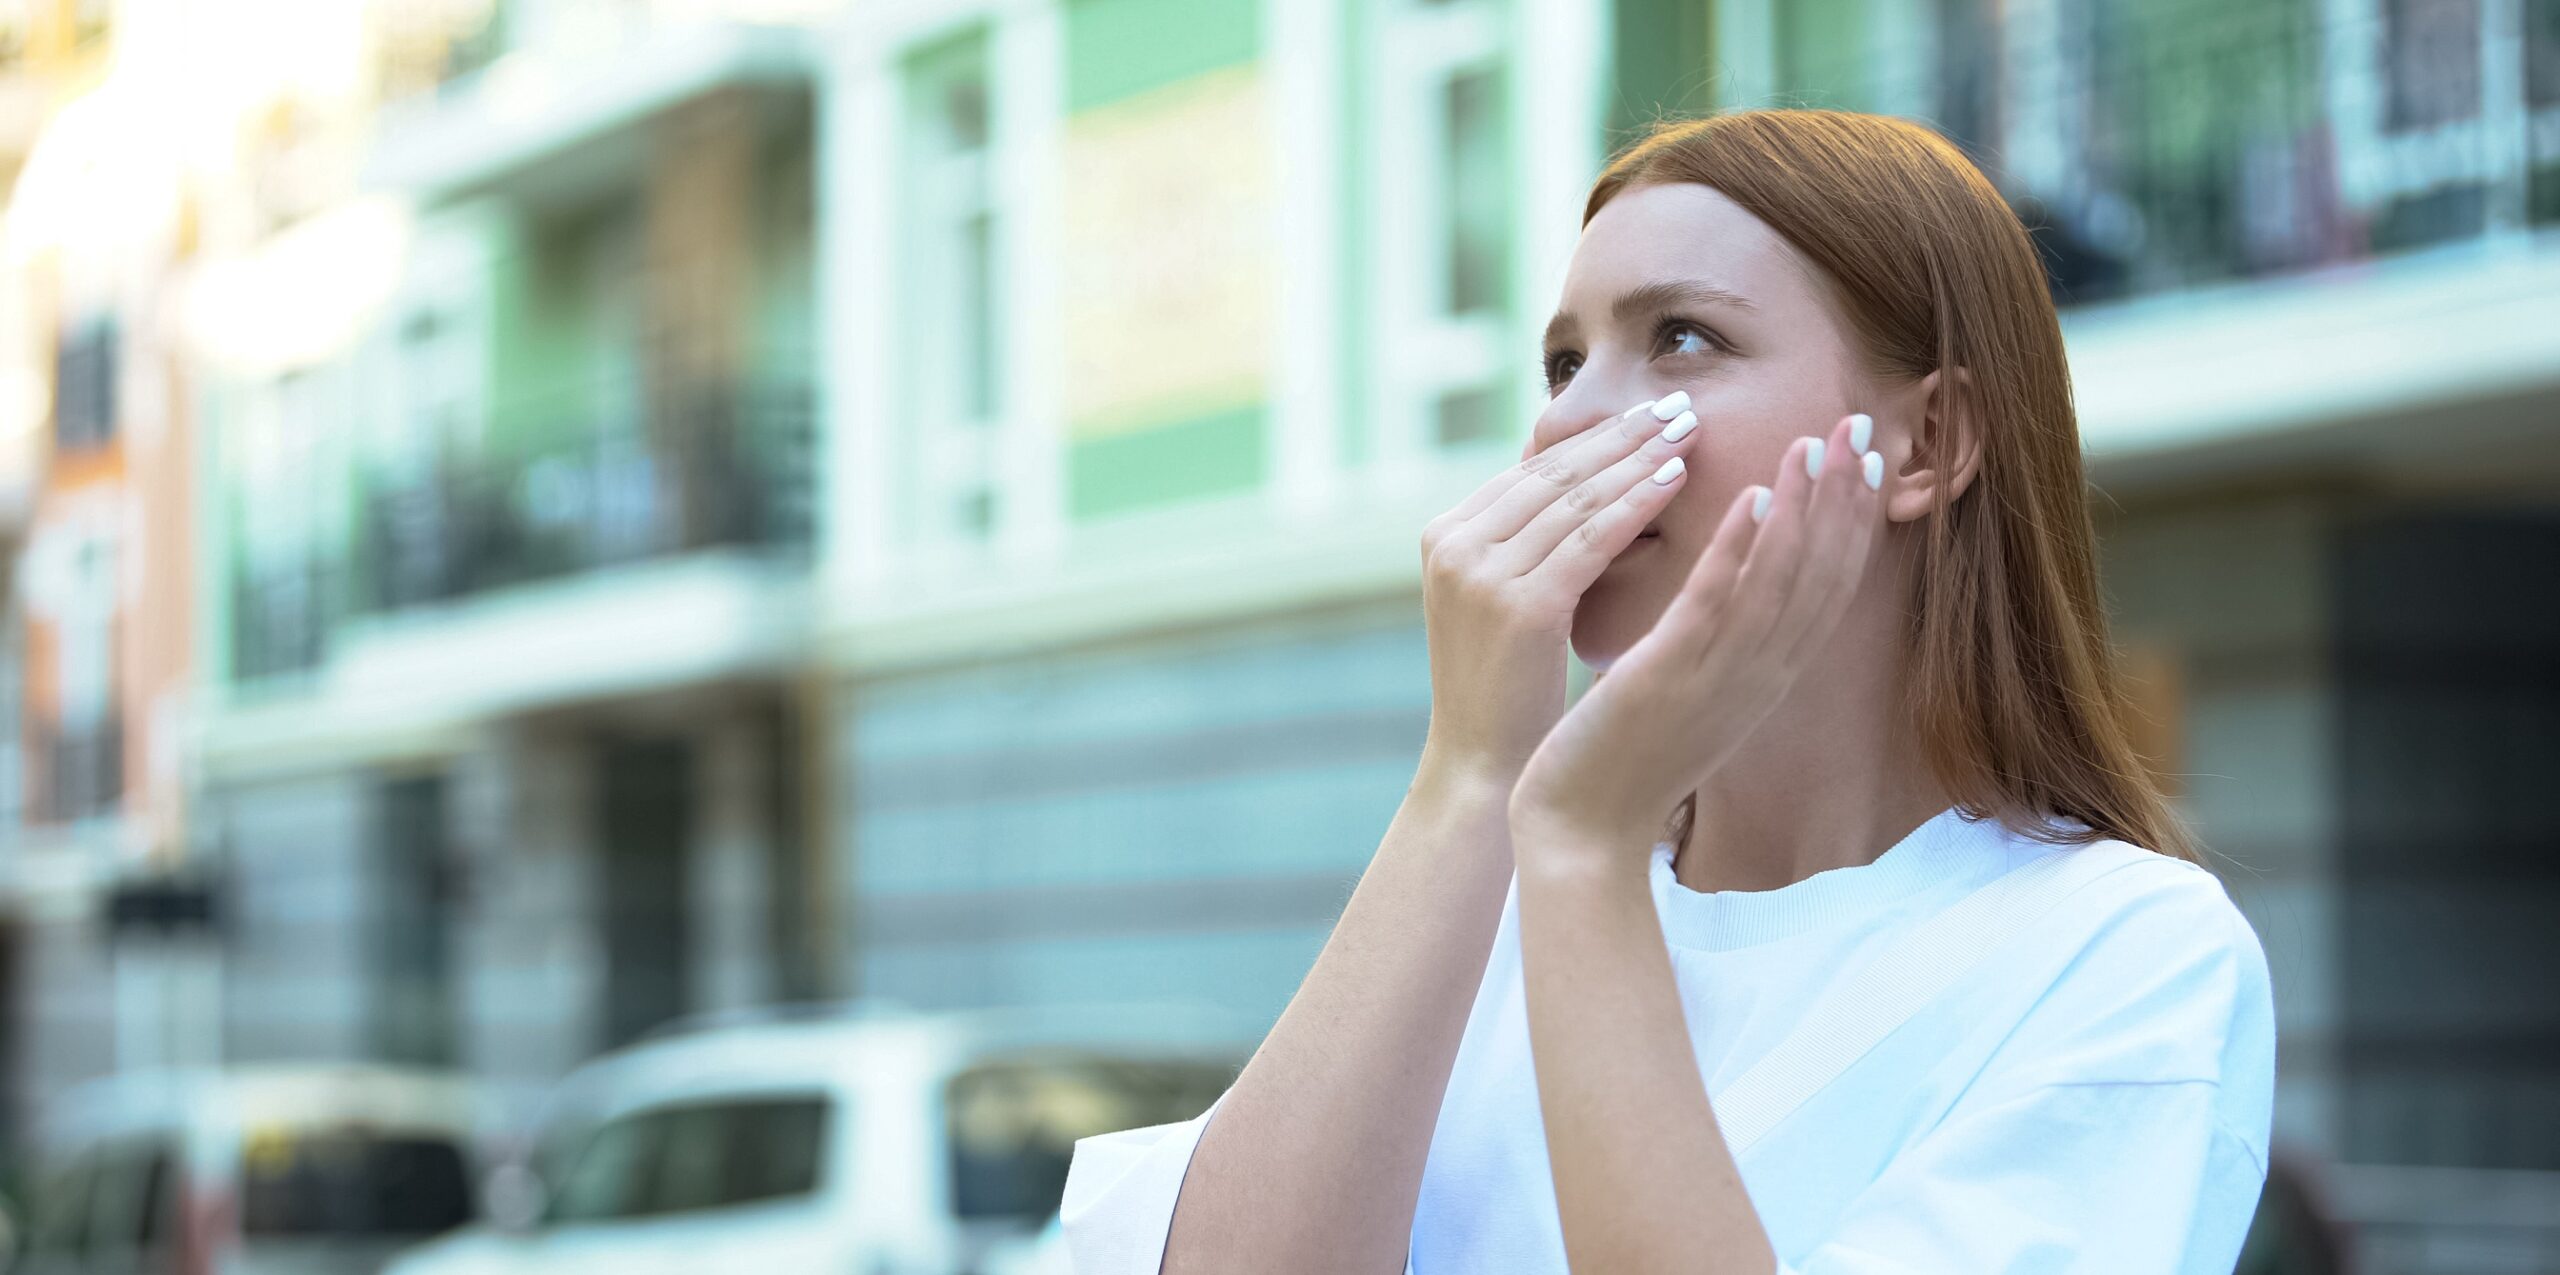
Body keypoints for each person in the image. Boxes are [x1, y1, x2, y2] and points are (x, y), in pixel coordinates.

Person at [1059, 109, 2275, 1274]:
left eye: (1682, 337)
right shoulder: (1483, 892)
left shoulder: (2121, 953)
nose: (1566, 425)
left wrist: (1584, 848)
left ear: (1927, 444)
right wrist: (1473, 773)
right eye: (1562, 363)